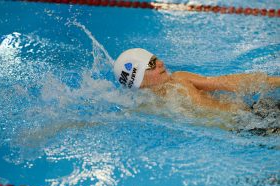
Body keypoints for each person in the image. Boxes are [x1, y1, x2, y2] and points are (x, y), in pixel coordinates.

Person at [113, 48, 280, 113]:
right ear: (140, 80)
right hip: (242, 129)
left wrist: (275, 81)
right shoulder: (146, 108)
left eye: (156, 58)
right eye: (151, 64)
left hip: (251, 113)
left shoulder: (180, 79)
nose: (161, 63)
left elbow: (226, 82)